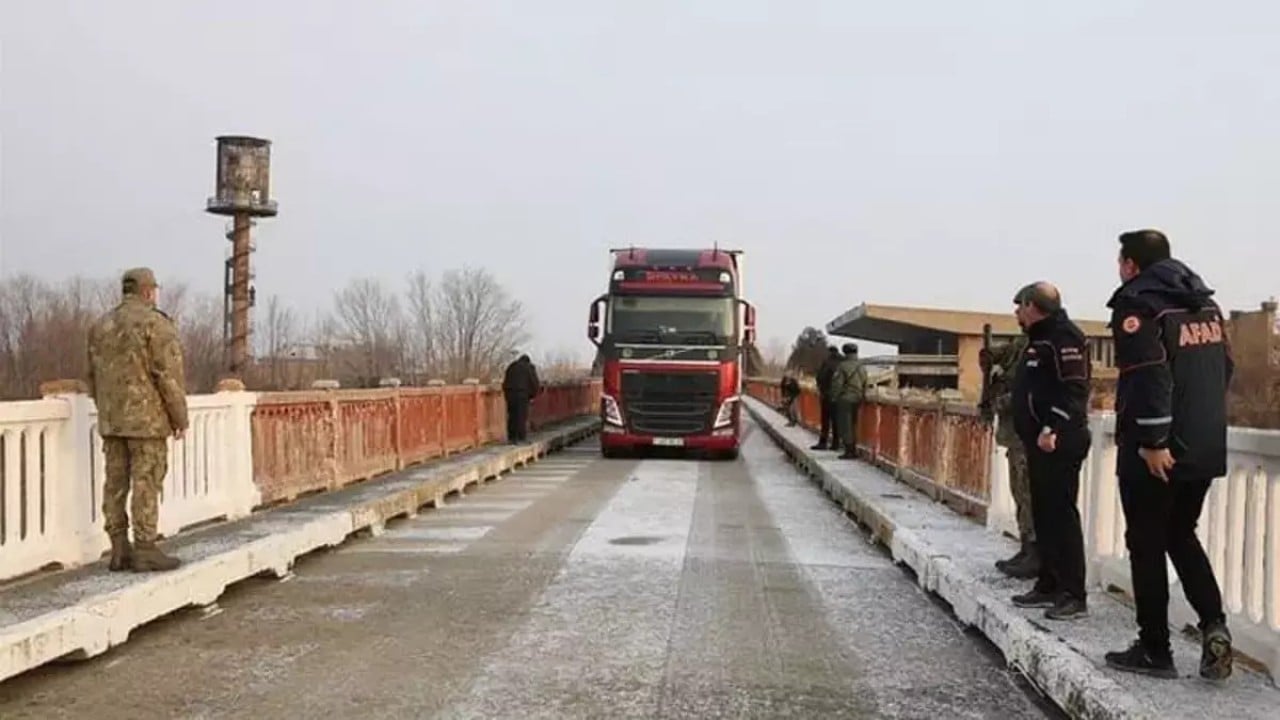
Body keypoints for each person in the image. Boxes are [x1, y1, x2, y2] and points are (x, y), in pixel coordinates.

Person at [1103, 229, 1233, 681]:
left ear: (1131, 264)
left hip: (1157, 452)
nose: (1118, 269)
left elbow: (1148, 374)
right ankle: (1215, 626)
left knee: (1146, 542)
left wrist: (1154, 442)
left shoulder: (1139, 303)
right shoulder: (1205, 305)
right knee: (1181, 534)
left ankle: (1155, 649)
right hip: (1204, 444)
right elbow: (1225, 370)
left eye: (1120, 261)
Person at [86, 267, 188, 572]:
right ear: (147, 291)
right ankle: (145, 547)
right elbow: (168, 376)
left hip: (112, 420)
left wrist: (106, 407)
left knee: (115, 482)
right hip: (146, 421)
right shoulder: (156, 324)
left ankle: (119, 549)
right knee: (146, 479)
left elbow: (92, 376)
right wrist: (179, 417)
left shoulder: (101, 325)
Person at [1009, 282, 1091, 620]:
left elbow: (1075, 390)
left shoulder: (1064, 337)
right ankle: (1049, 584)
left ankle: (1073, 594)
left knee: (1062, 516)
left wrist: (1051, 426)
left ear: (1033, 306)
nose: (1015, 312)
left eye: (1019, 306)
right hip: (1038, 441)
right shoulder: (1039, 338)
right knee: (1044, 514)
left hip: (1059, 439)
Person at [980, 324, 1037, 579]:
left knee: (1028, 495)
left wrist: (998, 403)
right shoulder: (1020, 344)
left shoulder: (1039, 346)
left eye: (1022, 308)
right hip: (1015, 434)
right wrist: (990, 356)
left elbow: (1029, 391)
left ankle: (1035, 552)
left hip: (1027, 433)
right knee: (1019, 493)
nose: (1017, 314)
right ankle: (1026, 548)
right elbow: (1000, 356)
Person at [830, 343, 868, 460]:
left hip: (845, 398)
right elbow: (865, 381)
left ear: (845, 352)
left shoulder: (843, 366)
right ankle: (854, 449)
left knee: (845, 424)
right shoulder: (861, 366)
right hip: (858, 397)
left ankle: (849, 450)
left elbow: (837, 384)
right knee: (854, 424)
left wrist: (834, 397)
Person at [502, 354, 541, 442]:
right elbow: (534, 382)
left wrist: (507, 393)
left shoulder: (511, 366)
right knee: (521, 416)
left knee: (512, 415)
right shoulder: (529, 367)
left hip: (510, 394)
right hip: (522, 394)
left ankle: (512, 437)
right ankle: (521, 437)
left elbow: (505, 381)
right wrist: (532, 396)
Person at [811, 347, 842, 451]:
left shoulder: (827, 362)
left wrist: (822, 390)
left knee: (825, 421)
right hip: (840, 397)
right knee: (836, 421)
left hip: (827, 396)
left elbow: (820, 377)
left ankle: (823, 443)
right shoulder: (843, 363)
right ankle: (835, 444)